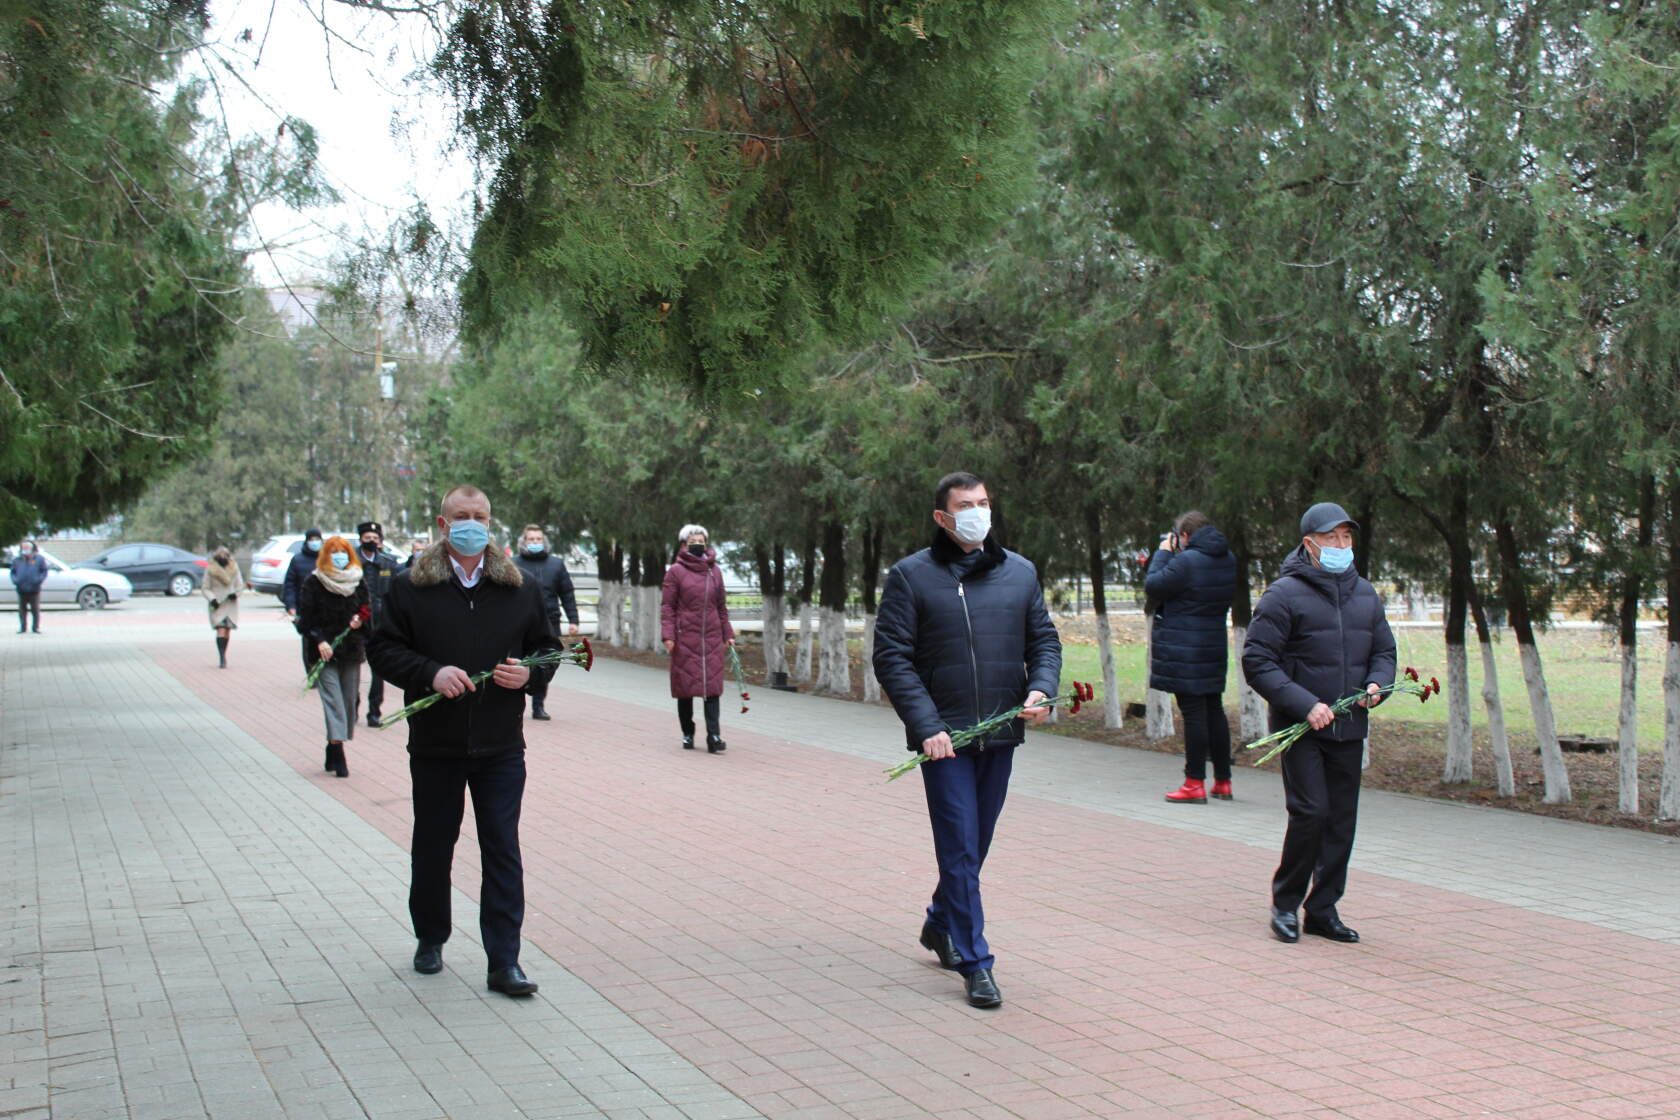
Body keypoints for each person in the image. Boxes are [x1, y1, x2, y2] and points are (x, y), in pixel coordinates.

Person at [872, 471, 1061, 1009]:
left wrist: (1042, 688)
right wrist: (927, 725)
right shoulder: (911, 576)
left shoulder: (1019, 572)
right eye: (965, 505)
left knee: (974, 845)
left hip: (1000, 730)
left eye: (983, 502)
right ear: (942, 517)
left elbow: (1043, 641)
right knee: (958, 845)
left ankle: (939, 923)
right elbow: (892, 657)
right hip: (945, 740)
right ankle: (976, 962)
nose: (978, 512)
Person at [367, 484, 557, 998]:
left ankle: (504, 961)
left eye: (479, 516)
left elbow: (547, 648)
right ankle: (430, 937)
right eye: (461, 515)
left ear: (490, 523)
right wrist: (429, 673)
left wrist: (531, 676)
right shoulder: (412, 585)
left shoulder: (519, 587)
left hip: (501, 746)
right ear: (442, 523)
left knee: (502, 849)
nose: (471, 523)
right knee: (433, 846)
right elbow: (382, 649)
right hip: (436, 745)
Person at [1242, 502, 1396, 946]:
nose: (1341, 545)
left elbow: (1384, 651)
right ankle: (1285, 904)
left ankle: (1323, 910)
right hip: (1304, 728)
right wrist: (1306, 704)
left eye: (1346, 537)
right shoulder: (1283, 595)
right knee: (1311, 813)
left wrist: (1377, 684)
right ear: (1310, 544)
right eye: (1332, 538)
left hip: (1349, 725)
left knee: (1341, 821)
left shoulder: (1364, 593)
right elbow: (1258, 660)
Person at [1145, 511, 1239, 804]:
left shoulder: (1186, 561)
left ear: (1184, 535)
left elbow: (1153, 584)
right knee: (1214, 710)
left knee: (1194, 714)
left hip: (1185, 649)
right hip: (1213, 645)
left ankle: (1194, 782)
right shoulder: (1228, 559)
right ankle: (1223, 781)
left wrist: (1163, 553)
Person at [298, 536, 370, 779]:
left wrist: (360, 620)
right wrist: (319, 640)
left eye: (343, 552)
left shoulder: (357, 580)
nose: (339, 556)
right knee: (334, 701)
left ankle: (332, 745)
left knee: (349, 701)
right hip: (324, 653)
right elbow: (305, 619)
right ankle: (339, 752)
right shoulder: (314, 581)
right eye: (334, 552)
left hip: (350, 649)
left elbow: (367, 608)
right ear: (326, 556)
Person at [661, 524, 735, 752]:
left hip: (711, 638)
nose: (697, 545)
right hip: (685, 638)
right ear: (684, 545)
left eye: (701, 541)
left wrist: (728, 633)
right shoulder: (675, 571)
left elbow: (721, 606)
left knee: (712, 689)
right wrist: (668, 635)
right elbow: (668, 607)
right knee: (685, 689)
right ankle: (687, 733)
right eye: (693, 541)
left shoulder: (715, 571)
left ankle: (714, 736)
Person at [513, 524, 580, 721]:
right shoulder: (513, 564)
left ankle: (538, 705)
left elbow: (567, 593)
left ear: (544, 542)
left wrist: (573, 619)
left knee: (546, 661)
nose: (535, 542)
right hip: (520, 622)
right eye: (531, 539)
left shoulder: (556, 565)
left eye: (538, 539)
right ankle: (515, 702)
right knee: (517, 662)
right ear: (523, 542)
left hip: (549, 622)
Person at [357, 521, 399, 727]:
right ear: (361, 540)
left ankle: (374, 712)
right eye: (368, 538)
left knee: (378, 670)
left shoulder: (388, 562)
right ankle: (352, 705)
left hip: (381, 624)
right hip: (357, 625)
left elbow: (396, 592)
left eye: (375, 538)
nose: (372, 541)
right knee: (354, 669)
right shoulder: (352, 562)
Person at [283, 528, 324, 669]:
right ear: (306, 541)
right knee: (308, 640)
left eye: (317, 539)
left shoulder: (327, 559)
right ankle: (311, 671)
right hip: (305, 609)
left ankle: (323, 671)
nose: (315, 542)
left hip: (325, 608)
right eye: (311, 540)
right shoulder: (297, 560)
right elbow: (289, 585)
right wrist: (291, 606)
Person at [202, 546, 244, 668]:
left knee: (227, 630)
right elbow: (205, 587)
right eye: (220, 555)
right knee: (221, 628)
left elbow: (239, 585)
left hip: (230, 604)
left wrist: (236, 594)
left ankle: (224, 653)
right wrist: (212, 599)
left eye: (225, 555)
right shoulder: (210, 569)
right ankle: (221, 657)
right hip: (218, 603)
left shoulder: (234, 568)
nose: (223, 557)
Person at [10, 540, 47, 634]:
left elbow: (44, 571)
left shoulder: (39, 559)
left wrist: (38, 580)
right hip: (21, 588)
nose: (25, 549)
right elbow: (13, 572)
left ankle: (35, 627)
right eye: (23, 548)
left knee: (35, 609)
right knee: (22, 610)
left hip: (34, 589)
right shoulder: (17, 560)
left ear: (31, 549)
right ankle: (23, 627)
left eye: (27, 548)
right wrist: (16, 581)